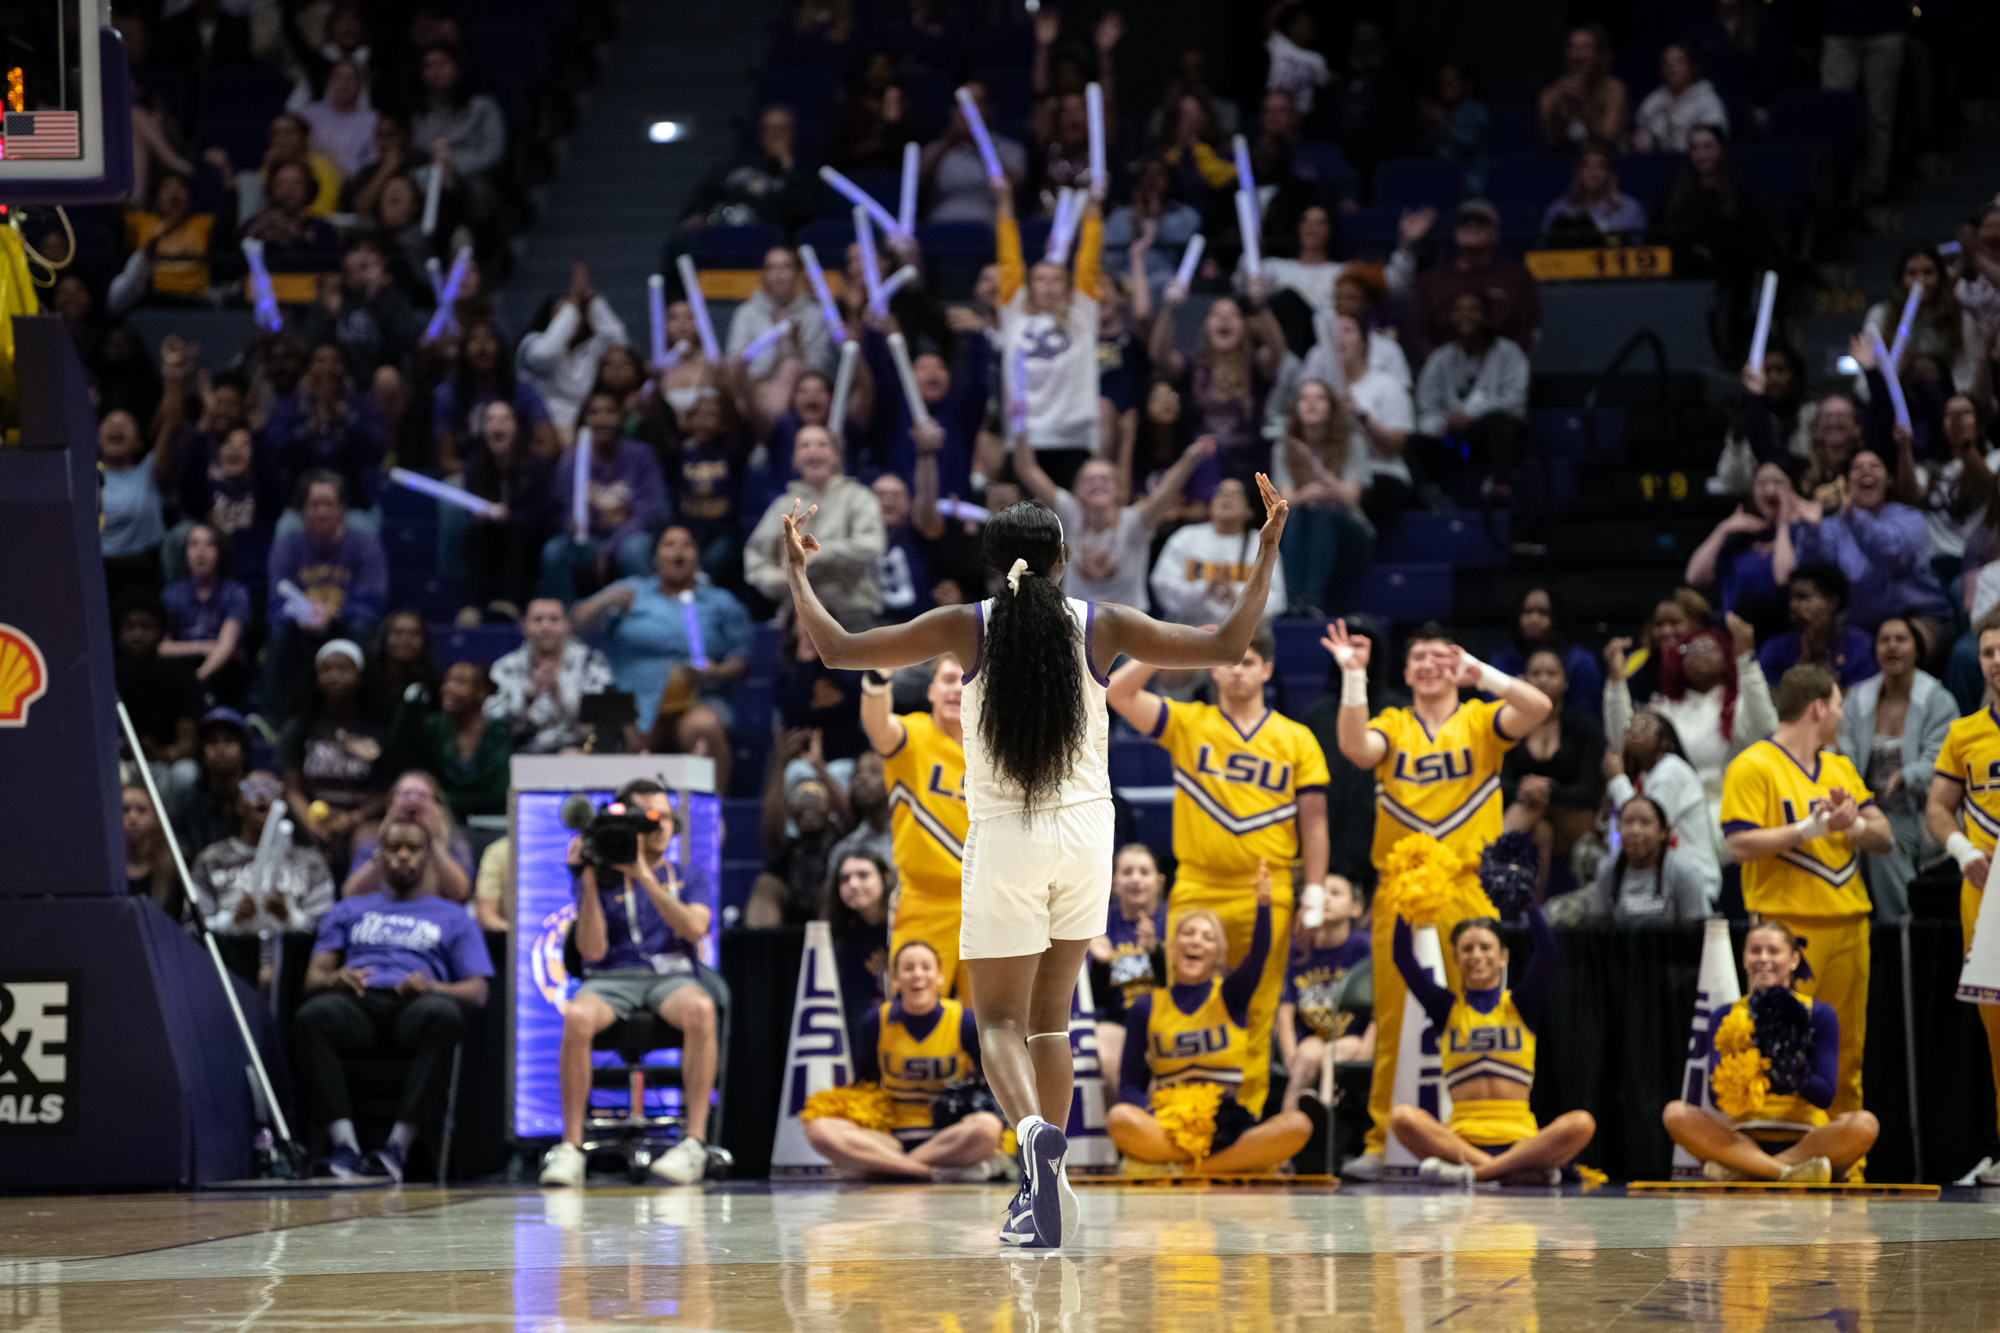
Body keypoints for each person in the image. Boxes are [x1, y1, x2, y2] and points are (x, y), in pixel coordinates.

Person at [777, 474, 1290, 1247]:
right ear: (1061, 559)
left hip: (1008, 834)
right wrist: (1266, 550)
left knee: (1000, 1022)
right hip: (1088, 833)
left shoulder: (964, 625)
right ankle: (1045, 1184)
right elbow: (1223, 644)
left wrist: (796, 571)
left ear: (995, 562)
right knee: (1053, 1021)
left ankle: (1032, 1141)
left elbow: (837, 647)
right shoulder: (1104, 621)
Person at [1323, 617, 1554, 1182]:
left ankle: (1474, 1137)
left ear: (1456, 663)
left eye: (1440, 655)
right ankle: (1384, 1139)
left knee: (1476, 1011)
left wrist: (1485, 675)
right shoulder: (1393, 724)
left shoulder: (1480, 720)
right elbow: (1355, 748)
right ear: (1405, 672)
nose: (1428, 664)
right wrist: (1355, 679)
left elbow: (1537, 708)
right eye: (1418, 657)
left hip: (1469, 884)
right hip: (1400, 890)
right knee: (1394, 1013)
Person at [1105, 622, 1331, 1116]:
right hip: (1197, 886)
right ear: (1211, 667)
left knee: (1257, 1008)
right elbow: (1119, 692)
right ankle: (1175, 1114)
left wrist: (1313, 897)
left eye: (1248, 661)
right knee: (1182, 1002)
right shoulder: (1189, 722)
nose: (1237, 671)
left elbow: (1314, 824)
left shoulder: (1298, 739)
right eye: (1228, 660)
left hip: (1266, 892)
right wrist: (1177, 642)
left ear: (1267, 670)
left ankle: (1241, 1118)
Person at [1721, 664, 1894, 1133]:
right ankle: (1776, 1150)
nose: (1841, 714)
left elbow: (1884, 836)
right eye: (1838, 705)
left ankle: (1843, 1163)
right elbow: (1738, 845)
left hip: (1849, 923)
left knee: (1846, 1050)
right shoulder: (1753, 764)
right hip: (1784, 927)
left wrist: (1849, 823)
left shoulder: (1839, 766)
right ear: (1818, 708)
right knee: (1779, 1048)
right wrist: (1806, 830)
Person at [537, 782, 722, 1189]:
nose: (657, 825)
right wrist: (584, 880)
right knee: (577, 1014)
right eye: (646, 817)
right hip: (611, 978)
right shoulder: (601, 876)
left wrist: (642, 874)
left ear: (675, 827)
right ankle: (570, 1148)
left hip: (670, 977)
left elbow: (693, 929)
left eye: (664, 817)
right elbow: (591, 951)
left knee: (701, 1009)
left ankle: (693, 1142)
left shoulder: (688, 876)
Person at [298, 814, 492, 1180]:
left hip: (414, 1005)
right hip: (360, 1001)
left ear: (428, 855)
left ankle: (396, 1149)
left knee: (444, 1015)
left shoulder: (454, 917)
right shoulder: (348, 910)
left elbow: (478, 991)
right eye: (393, 848)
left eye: (414, 848)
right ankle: (345, 1147)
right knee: (313, 1014)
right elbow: (313, 977)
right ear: (378, 855)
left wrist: (434, 987)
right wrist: (334, 977)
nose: (403, 856)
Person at [1105, 868, 1314, 1174]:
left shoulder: (1231, 996)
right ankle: (1221, 1166)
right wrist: (1150, 1113)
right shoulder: (1145, 1007)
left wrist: (1265, 904)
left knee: (1298, 1125)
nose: (1196, 942)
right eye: (1188, 934)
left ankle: (1191, 1169)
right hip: (1169, 1125)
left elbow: (1258, 957)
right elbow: (1130, 1083)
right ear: (1173, 948)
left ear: (1219, 955)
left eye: (1207, 937)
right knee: (1120, 1118)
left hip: (1226, 1127)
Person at [1389, 903, 1594, 1185]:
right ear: (1455, 957)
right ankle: (1509, 1172)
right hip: (1462, 1143)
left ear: (1503, 956)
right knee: (1402, 1118)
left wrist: (1529, 904)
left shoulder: (1521, 1005)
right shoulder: (1444, 1008)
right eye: (1467, 949)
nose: (1476, 955)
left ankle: (1476, 1175)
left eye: (1485, 947)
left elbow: (1548, 953)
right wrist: (1405, 903)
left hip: (1521, 1140)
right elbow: (1402, 958)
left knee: (1582, 1123)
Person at [1662, 921, 1880, 1181]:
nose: (1763, 958)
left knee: (1865, 1124)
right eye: (1755, 950)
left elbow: (1825, 1095)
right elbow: (1718, 1096)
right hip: (1744, 1137)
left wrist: (1791, 1071)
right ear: (1744, 958)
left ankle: (1748, 1170)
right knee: (1675, 1114)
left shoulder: (1819, 1014)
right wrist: (1755, 1062)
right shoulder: (1726, 1015)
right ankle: (1788, 1173)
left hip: (1807, 1138)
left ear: (1794, 959)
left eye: (1773, 951)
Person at [801, 940, 1003, 1181]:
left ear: (939, 976)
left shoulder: (965, 1022)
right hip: (889, 1140)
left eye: (926, 967)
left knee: (987, 1127)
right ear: (895, 979)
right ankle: (927, 1172)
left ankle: (886, 1169)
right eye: (908, 968)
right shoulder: (876, 1021)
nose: (917, 975)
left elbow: (993, 1086)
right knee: (819, 1129)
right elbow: (864, 1084)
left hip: (948, 1137)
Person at [1604, 618, 1777, 865]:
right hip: (1671, 806)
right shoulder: (1666, 707)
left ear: (1726, 656)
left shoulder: (1739, 705)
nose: (1698, 653)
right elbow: (1624, 739)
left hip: (1727, 807)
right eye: (1689, 649)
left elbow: (1766, 728)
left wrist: (1746, 658)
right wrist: (1615, 681)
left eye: (1709, 648)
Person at [573, 526, 752, 764]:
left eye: (686, 544)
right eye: (669, 544)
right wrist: (604, 601)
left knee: (705, 728)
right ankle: (616, 801)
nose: (678, 550)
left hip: (696, 698)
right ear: (654, 557)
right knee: (608, 723)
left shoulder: (721, 601)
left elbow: (742, 656)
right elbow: (576, 623)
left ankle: (709, 802)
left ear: (697, 556)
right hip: (631, 695)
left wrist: (717, 671)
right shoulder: (631, 590)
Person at [1928, 612, 2000, 1179]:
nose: (1995, 662)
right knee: (1995, 1028)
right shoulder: (1964, 733)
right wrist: (1960, 850)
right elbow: (1936, 806)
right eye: (1988, 652)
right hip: (1985, 891)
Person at [859, 656, 970, 997]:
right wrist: (880, 673)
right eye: (949, 679)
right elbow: (878, 726)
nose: (957, 689)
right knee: (911, 1014)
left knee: (990, 1027)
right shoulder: (914, 734)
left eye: (966, 681)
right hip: (923, 900)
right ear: (932, 690)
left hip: (987, 904)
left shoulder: (999, 750)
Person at [1012, 436, 1213, 613]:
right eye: (1089, 480)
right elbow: (1027, 469)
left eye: (1105, 479)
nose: (1097, 484)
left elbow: (1165, 491)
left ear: (1118, 490)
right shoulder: (1069, 515)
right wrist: (1020, 420)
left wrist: (1191, 457)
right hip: (1079, 626)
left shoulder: (1134, 522)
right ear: (1077, 490)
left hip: (1129, 633)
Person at [1836, 616, 1951, 922]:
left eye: (1901, 639)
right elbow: (1842, 752)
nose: (1892, 646)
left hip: (1920, 812)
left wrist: (1907, 776)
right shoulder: (1857, 700)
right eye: (1884, 640)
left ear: (1917, 649)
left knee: (1884, 844)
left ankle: (1899, 931)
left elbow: (1941, 760)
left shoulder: (1938, 700)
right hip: (1863, 808)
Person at [994, 175, 1105, 486]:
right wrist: (1004, 202)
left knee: (1070, 529)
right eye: (1041, 279)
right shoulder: (1013, 314)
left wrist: (1094, 208)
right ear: (1028, 287)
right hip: (1025, 436)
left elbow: (1088, 261)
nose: (1049, 286)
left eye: (1057, 279)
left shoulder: (1082, 314)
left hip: (1073, 436)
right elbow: (1008, 259)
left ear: (1069, 287)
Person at [264, 473, 389, 716]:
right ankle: (274, 719)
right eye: (314, 505)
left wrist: (333, 614)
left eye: (328, 505)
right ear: (302, 511)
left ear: (342, 510)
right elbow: (276, 601)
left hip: (344, 624)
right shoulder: (286, 545)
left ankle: (366, 712)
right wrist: (301, 616)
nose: (321, 512)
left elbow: (372, 601)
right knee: (279, 633)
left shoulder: (366, 545)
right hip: (300, 626)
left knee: (361, 628)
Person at [1789, 449, 1952, 635]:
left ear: (1889, 480)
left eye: (1875, 465)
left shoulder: (1910, 518)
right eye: (1857, 468)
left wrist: (1854, 518)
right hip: (1861, 626)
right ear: (1847, 483)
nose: (1866, 471)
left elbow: (1893, 554)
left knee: (1896, 639)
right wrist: (1811, 530)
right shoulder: (1834, 526)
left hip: (1918, 616)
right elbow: (1817, 571)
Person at [744, 426, 887, 626]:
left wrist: (821, 553)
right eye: (805, 445)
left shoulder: (858, 496)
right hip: (798, 616)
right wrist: (776, 578)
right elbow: (755, 560)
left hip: (852, 611)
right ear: (794, 458)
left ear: (836, 455)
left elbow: (872, 544)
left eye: (822, 444)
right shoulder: (782, 506)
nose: (813, 451)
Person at [544, 390, 670, 606]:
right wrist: (573, 526)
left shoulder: (641, 454)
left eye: (610, 412)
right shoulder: (571, 460)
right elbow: (564, 509)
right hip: (589, 542)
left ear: (620, 418)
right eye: (593, 413)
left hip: (630, 536)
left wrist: (610, 547)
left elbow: (651, 509)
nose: (601, 420)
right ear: (585, 420)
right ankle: (564, 622)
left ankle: (650, 615)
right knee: (554, 552)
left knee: (635, 549)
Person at [1151, 292, 1287, 490]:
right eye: (1217, 314)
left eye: (1232, 315)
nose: (1224, 319)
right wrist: (1168, 309)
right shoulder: (1196, 366)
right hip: (1204, 464)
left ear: (1243, 326)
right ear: (1207, 324)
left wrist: (1260, 307)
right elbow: (1160, 356)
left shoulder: (1255, 366)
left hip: (1249, 467)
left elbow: (1277, 351)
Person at [281, 640, 392, 876]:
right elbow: (292, 789)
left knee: (365, 841)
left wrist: (356, 817)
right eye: (327, 669)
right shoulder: (299, 727)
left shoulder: (380, 728)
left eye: (344, 669)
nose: (335, 676)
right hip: (313, 815)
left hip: (364, 818)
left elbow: (389, 790)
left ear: (360, 677)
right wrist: (310, 821)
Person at [1499, 649, 1605, 887]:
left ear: (1565, 682)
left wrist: (1549, 789)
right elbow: (1498, 782)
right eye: (1535, 673)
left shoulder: (1585, 728)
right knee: (1541, 830)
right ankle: (1536, 914)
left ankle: (1492, 855)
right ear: (1524, 681)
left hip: (1574, 816)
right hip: (1528, 812)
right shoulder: (1508, 728)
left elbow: (1591, 789)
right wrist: (1523, 789)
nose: (1543, 679)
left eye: (1551, 673)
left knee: (1536, 815)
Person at [191, 770, 337, 937]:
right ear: (239, 804)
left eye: (271, 790)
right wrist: (231, 920)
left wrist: (290, 917)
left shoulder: (310, 862)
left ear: (283, 804)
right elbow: (191, 928)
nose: (262, 796)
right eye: (251, 790)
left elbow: (329, 930)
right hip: (229, 958)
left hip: (293, 958)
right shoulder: (212, 860)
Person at [1413, 289, 1532, 494]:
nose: (1465, 315)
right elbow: (1426, 407)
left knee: (1498, 423)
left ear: (1485, 316)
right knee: (1412, 442)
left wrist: (1472, 416)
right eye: (1459, 310)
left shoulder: (1509, 354)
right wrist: (1444, 423)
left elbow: (1516, 401)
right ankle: (1429, 495)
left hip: (1493, 437)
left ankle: (1500, 484)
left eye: (1473, 310)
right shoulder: (1440, 359)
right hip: (1455, 440)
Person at [1275, 873, 1373, 1117]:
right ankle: (1284, 1143)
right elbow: (1285, 1012)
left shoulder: (1365, 948)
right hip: (1313, 1038)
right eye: (1322, 893)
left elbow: (1382, 1012)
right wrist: (1291, 1056)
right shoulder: (1297, 950)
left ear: (1355, 908)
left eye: (1336, 893)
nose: (1326, 899)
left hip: (1355, 1040)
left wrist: (1365, 1052)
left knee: (1330, 1054)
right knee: (1308, 1054)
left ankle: (1325, 1113)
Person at [1602, 709, 1722, 908]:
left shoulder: (1671, 771)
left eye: (1645, 726)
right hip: (1658, 884)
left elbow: (1645, 825)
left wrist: (1617, 780)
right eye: (1630, 726)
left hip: (1694, 885)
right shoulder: (1645, 776)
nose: (1635, 730)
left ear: (1664, 740)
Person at [461, 399, 558, 620]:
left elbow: (544, 510)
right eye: (491, 420)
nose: (498, 425)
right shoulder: (475, 466)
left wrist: (511, 516)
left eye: (505, 419)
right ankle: (474, 606)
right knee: (479, 534)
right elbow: (469, 507)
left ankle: (510, 602)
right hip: (490, 536)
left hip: (528, 537)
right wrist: (481, 516)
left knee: (514, 532)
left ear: (517, 427)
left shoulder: (537, 465)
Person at [1149, 477, 1289, 625]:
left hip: (1244, 640)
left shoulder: (1262, 543)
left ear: (1250, 510)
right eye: (1220, 492)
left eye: (1236, 493)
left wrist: (1234, 592)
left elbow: (1276, 601)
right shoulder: (1185, 537)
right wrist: (1205, 588)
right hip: (1189, 635)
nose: (1226, 496)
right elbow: (1163, 588)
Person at [1088, 843, 1169, 1095]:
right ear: (1114, 882)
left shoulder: (1173, 920)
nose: (1135, 878)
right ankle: (1118, 1127)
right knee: (1103, 1055)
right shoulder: (1100, 924)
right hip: (1118, 1021)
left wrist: (1156, 953)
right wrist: (1102, 965)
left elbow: (1184, 984)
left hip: (1167, 1019)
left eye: (1144, 872)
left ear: (1159, 881)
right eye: (1127, 871)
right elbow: (1094, 999)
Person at [485, 598, 614, 754]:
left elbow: (603, 721)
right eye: (538, 619)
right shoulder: (505, 667)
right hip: (518, 752)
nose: (546, 626)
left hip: (578, 752)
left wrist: (561, 694)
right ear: (524, 625)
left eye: (554, 619)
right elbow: (491, 721)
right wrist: (528, 696)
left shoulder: (591, 663)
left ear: (566, 625)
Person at [390, 661, 512, 821]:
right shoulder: (431, 727)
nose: (448, 688)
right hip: (438, 819)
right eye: (446, 681)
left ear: (481, 693)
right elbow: (402, 758)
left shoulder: (498, 732)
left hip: (489, 821)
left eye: (460, 682)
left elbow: (497, 793)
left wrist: (439, 799)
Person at [1860, 247, 1981, 397]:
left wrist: (1941, 377)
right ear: (1901, 278)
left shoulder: (1961, 318)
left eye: (1928, 272)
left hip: (1946, 400)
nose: (1920, 280)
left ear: (1941, 277)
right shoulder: (1880, 315)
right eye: (1912, 273)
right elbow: (1864, 383)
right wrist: (1896, 373)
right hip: (1894, 401)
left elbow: (1967, 376)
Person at [1687, 463, 1800, 623]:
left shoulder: (1802, 532)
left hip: (1783, 633)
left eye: (1778, 482)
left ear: (1794, 488)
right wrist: (1722, 530)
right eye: (1761, 483)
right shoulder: (1739, 536)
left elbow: (1784, 578)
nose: (1770, 489)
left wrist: (1783, 526)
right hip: (1736, 634)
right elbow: (1695, 576)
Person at [113, 591, 201, 783]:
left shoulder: (181, 676)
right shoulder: (108, 679)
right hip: (125, 762)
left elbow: (188, 743)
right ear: (119, 635)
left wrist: (162, 754)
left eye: (146, 627)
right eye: (129, 627)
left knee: (186, 774)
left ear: (162, 633)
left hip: (168, 761)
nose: (137, 635)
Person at [160, 523, 251, 703]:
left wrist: (196, 681)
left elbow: (227, 646)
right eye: (194, 544)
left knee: (231, 669)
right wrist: (201, 647)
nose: (200, 552)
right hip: (185, 662)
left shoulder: (234, 592)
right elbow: (162, 647)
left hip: (220, 668)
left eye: (209, 544)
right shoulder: (171, 595)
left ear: (220, 551)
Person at [920, 81, 1027, 226]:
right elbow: (918, 187)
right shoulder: (934, 149)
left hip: (990, 231)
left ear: (990, 109)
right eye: (962, 104)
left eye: (977, 103)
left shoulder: (1010, 149)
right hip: (940, 232)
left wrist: (982, 144)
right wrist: (948, 144)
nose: (968, 111)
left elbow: (1018, 188)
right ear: (952, 110)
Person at [1490, 586, 1603, 723]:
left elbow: (1588, 715)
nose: (1534, 618)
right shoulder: (1502, 660)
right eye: (1527, 612)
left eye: (1543, 613)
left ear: (1557, 617)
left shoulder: (1581, 661)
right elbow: (1491, 713)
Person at [1589, 794, 1710, 922]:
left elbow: (1696, 933)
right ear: (1619, 829)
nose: (1635, 830)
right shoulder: (1607, 870)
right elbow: (1599, 931)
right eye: (1628, 822)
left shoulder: (1686, 873)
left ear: (1664, 832)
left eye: (1645, 822)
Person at [1756, 563, 1878, 688]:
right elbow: (1769, 702)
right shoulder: (1774, 648)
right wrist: (1804, 661)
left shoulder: (1860, 645)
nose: (1792, 605)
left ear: (1832, 602)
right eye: (1791, 597)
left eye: (1803, 597)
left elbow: (1861, 701)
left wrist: (1821, 657)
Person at [827, 850, 894, 1050]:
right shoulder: (843, 937)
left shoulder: (909, 923)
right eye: (845, 879)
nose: (853, 884)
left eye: (863, 875)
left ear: (885, 878)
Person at [170, 708, 251, 856]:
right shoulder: (188, 799)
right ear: (202, 752)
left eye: (229, 740)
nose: (220, 748)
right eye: (212, 742)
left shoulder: (256, 798)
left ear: (244, 749)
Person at [1538, 24, 1628, 149]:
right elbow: (1551, 143)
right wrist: (1558, 113)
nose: (1578, 55)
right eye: (1572, 47)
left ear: (1598, 55)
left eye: (1586, 47)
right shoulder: (1550, 95)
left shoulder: (1614, 90)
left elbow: (1607, 142)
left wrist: (1584, 108)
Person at [1541, 140, 1646, 242]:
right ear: (1578, 171)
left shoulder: (1630, 209)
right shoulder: (1558, 210)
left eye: (1600, 165)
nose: (1593, 172)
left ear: (1609, 172)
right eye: (1586, 165)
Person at [1632, 44, 1729, 153]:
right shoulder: (1655, 99)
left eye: (1679, 62)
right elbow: (1641, 126)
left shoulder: (1707, 100)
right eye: (1667, 63)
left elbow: (1716, 139)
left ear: (1692, 67)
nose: (1672, 68)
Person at [1421, 62, 1490, 196]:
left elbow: (1467, 141)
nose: (1444, 88)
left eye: (1449, 83)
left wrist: (1442, 120)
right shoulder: (1446, 112)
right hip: (1443, 180)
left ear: (1465, 85)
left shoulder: (1474, 109)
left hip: (1471, 183)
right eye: (1441, 83)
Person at [122, 783, 184, 920]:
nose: (132, 817)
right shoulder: (107, 871)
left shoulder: (175, 871)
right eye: (125, 810)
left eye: (141, 810)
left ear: (156, 818)